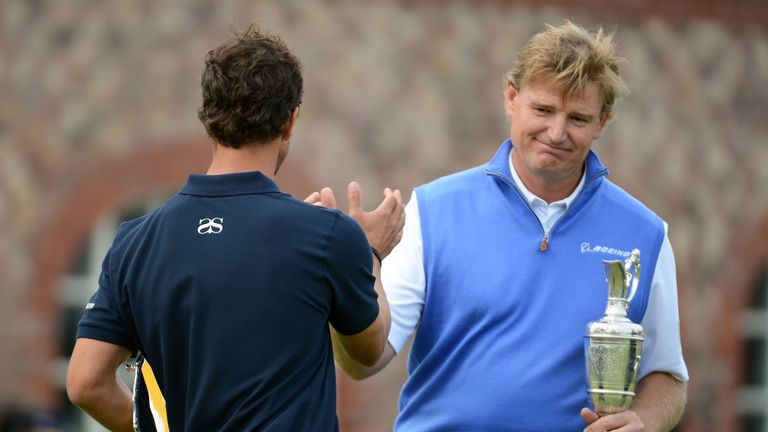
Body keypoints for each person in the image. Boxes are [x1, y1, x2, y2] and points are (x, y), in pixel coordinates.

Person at [333, 21, 688, 431]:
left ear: (602, 122)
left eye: (577, 117)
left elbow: (668, 376)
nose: (556, 132)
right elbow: (367, 359)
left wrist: (643, 419)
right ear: (511, 97)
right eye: (543, 110)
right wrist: (357, 270)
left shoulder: (645, 234)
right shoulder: (432, 211)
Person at [66, 26, 404, 431]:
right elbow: (368, 350)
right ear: (289, 121)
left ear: (209, 116)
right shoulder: (328, 236)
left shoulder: (134, 242)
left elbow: (85, 383)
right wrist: (370, 252)